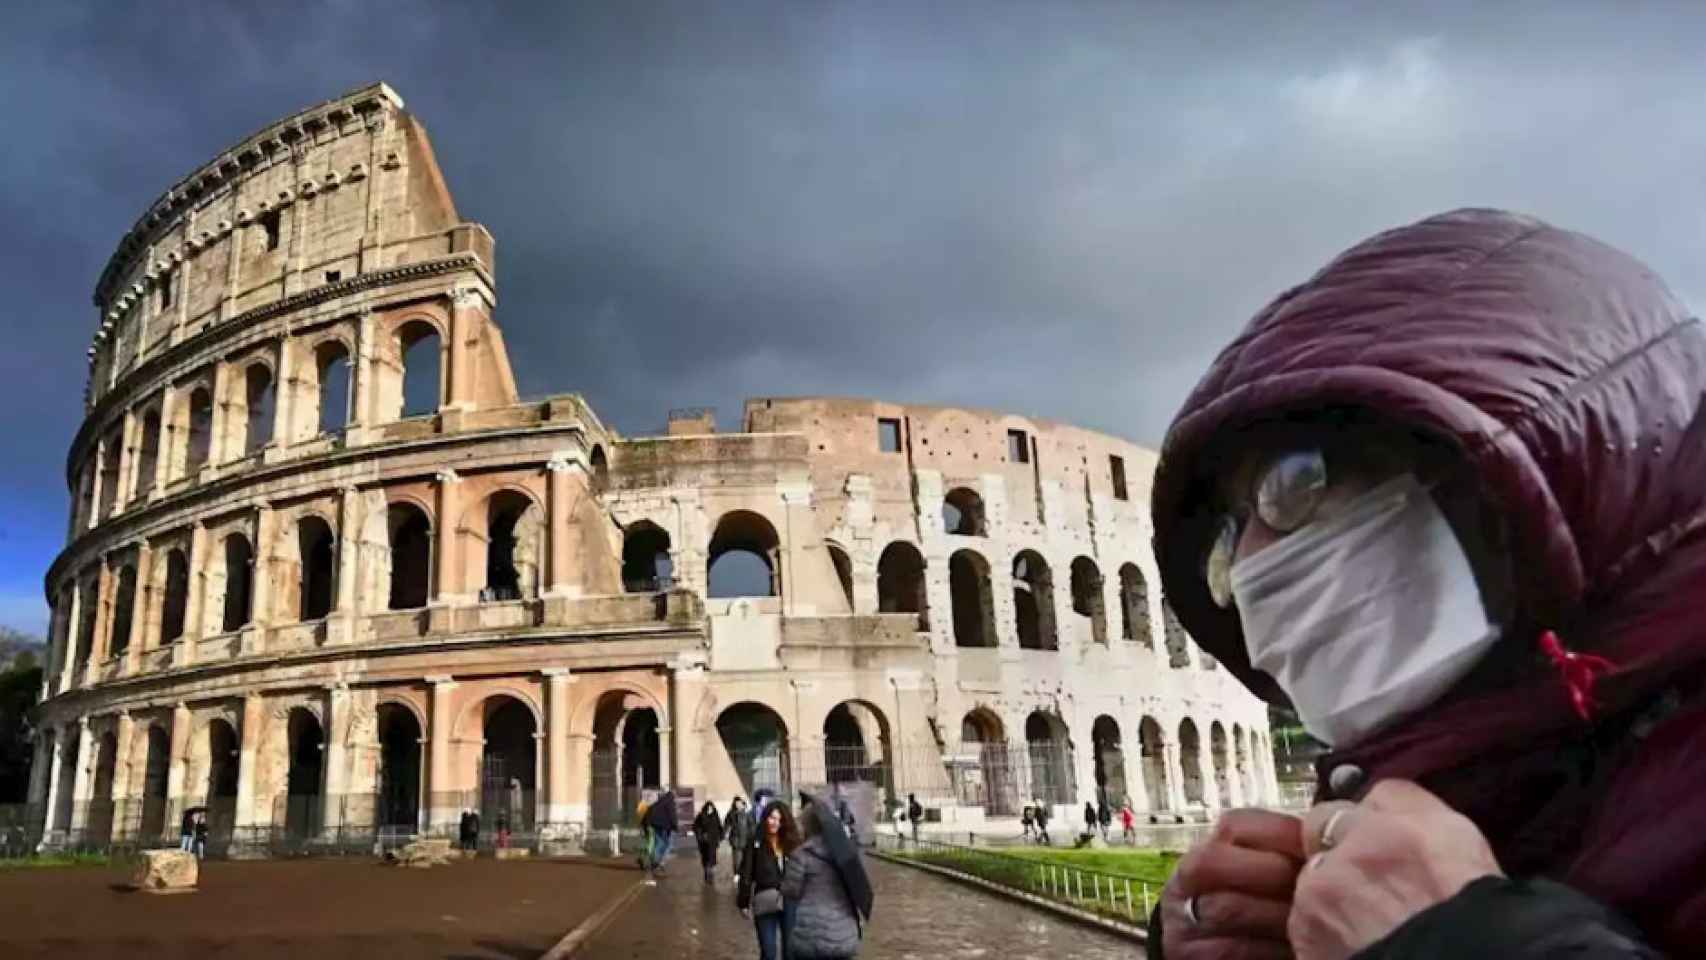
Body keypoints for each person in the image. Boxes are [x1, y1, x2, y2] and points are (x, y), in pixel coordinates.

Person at [1146, 208, 1706, 958]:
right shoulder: (1455, 784)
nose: (1245, 567)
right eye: (1226, 533)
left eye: (1294, 481)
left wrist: (1464, 944)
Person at [788, 800, 874, 959]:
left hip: (809, 934)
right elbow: (857, 884)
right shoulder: (845, 853)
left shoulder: (801, 855)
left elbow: (791, 891)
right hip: (842, 935)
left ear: (806, 826)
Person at [737, 799, 802, 960]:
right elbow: (746, 872)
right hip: (765, 899)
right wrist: (743, 901)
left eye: (779, 820)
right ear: (765, 817)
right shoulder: (756, 842)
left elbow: (802, 871)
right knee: (768, 950)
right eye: (772, 818)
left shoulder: (792, 842)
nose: (775, 823)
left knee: (790, 950)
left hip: (789, 900)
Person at [641, 786, 679, 883]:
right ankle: (659, 863)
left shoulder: (660, 801)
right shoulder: (670, 801)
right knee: (668, 845)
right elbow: (672, 815)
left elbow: (649, 813)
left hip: (654, 825)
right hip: (663, 826)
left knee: (658, 843)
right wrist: (675, 826)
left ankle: (654, 862)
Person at [694, 800, 724, 885]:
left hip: (713, 841)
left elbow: (719, 826)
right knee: (706, 858)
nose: (710, 809)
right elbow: (696, 826)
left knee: (712, 859)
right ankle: (708, 874)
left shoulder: (715, 815)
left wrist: (721, 836)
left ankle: (710, 874)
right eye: (708, 808)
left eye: (711, 808)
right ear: (706, 807)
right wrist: (700, 836)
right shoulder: (701, 815)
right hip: (704, 842)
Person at [725, 797, 753, 880]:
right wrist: (726, 834)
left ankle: (744, 873)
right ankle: (737, 874)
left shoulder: (747, 814)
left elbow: (751, 826)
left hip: (746, 839)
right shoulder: (731, 814)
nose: (738, 805)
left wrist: (751, 836)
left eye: (739, 803)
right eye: (736, 803)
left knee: (746, 859)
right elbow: (726, 825)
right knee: (737, 859)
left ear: (743, 804)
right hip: (736, 840)